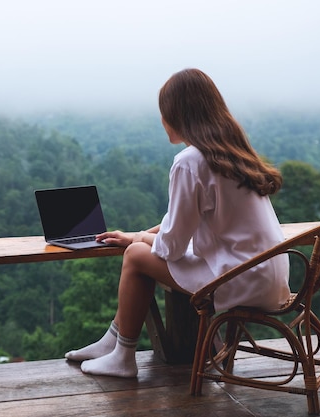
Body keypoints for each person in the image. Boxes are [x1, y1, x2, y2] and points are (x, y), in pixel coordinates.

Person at [64, 68, 291, 378]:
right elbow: (177, 221)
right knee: (140, 250)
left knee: (135, 257)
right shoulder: (232, 154)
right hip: (269, 277)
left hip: (238, 277)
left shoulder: (190, 161)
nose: (161, 120)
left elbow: (171, 248)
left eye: (164, 112)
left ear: (176, 114)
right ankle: (113, 343)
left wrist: (137, 241)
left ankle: (122, 357)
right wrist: (138, 234)